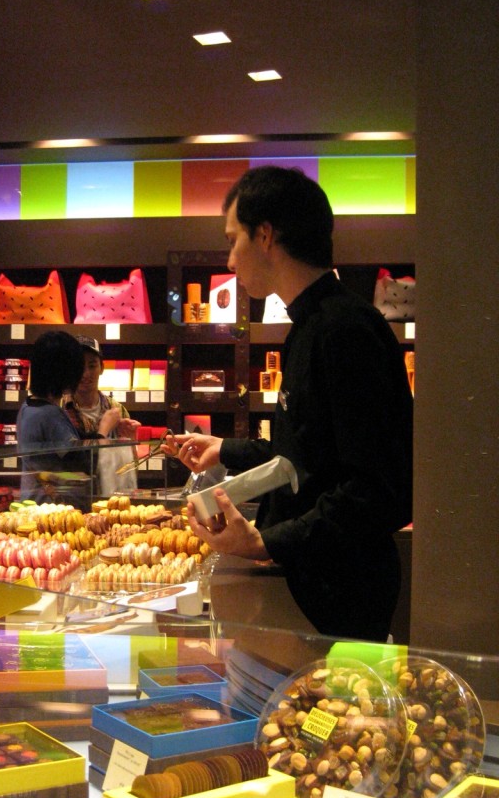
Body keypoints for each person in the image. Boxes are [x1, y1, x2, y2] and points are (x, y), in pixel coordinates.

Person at [167, 166, 413, 641]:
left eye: (233, 241)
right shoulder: (310, 327)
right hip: (313, 584)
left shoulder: (344, 331)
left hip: (341, 595)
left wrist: (264, 542)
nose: (230, 261)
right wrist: (225, 448)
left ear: (265, 236)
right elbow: (305, 456)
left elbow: (380, 490)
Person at [16, 331, 124, 506]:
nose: (83, 374)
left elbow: (72, 448)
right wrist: (104, 430)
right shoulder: (50, 414)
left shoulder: (28, 407)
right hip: (53, 510)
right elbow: (84, 464)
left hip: (37, 505)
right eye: (78, 368)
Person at [63, 335, 141, 494]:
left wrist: (131, 440)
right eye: (79, 366)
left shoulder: (117, 409)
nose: (86, 373)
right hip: (73, 500)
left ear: (102, 368)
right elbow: (66, 464)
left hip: (111, 500)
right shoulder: (61, 410)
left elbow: (131, 468)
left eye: (92, 365)